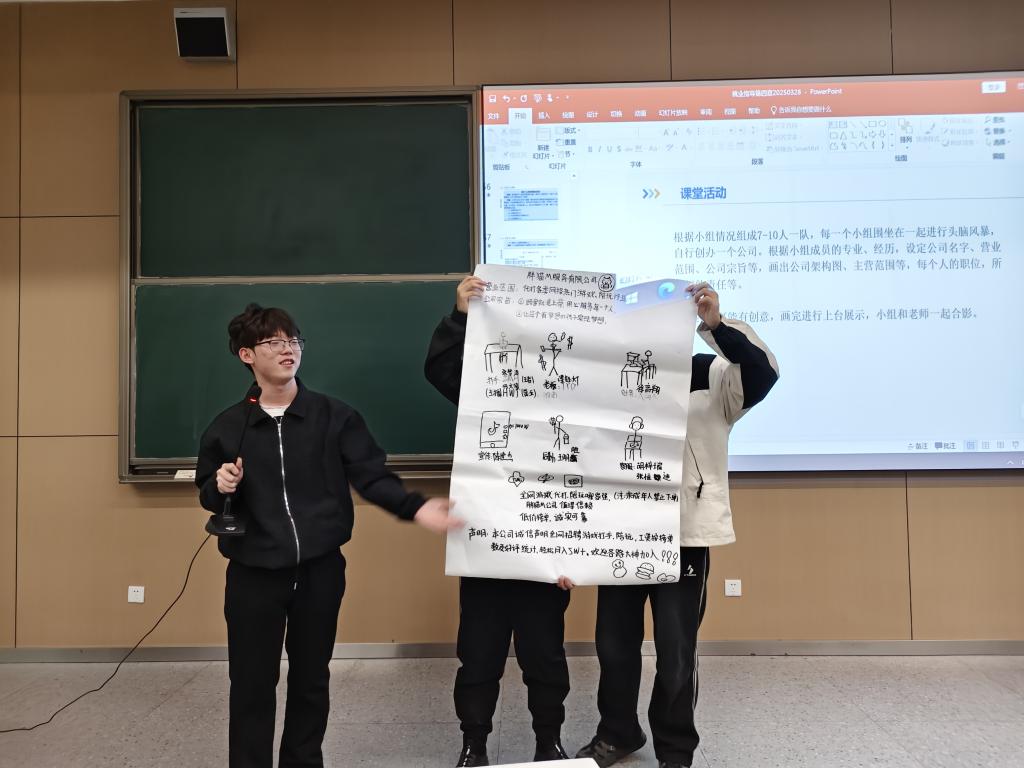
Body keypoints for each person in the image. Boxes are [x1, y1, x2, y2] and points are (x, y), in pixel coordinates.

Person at [196, 303, 459, 768]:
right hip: (254, 575)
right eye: (273, 342)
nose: (288, 350)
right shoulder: (228, 427)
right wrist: (220, 486)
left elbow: (371, 476)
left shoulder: (334, 416)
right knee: (252, 683)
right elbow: (210, 497)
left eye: (293, 340)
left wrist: (416, 507)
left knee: (312, 679)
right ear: (246, 355)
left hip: (320, 571)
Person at [575, 281, 779, 768]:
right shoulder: (606, 381)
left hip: (683, 536)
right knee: (614, 646)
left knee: (676, 649)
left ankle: (674, 748)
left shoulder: (712, 373)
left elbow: (763, 372)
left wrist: (717, 326)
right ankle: (618, 732)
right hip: (621, 532)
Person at [424, 277, 572, 767]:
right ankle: (474, 743)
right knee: (478, 655)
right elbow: (440, 369)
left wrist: (584, 556)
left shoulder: (576, 408)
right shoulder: (484, 391)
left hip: (547, 548)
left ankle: (548, 741)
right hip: (486, 547)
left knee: (545, 656)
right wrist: (460, 317)